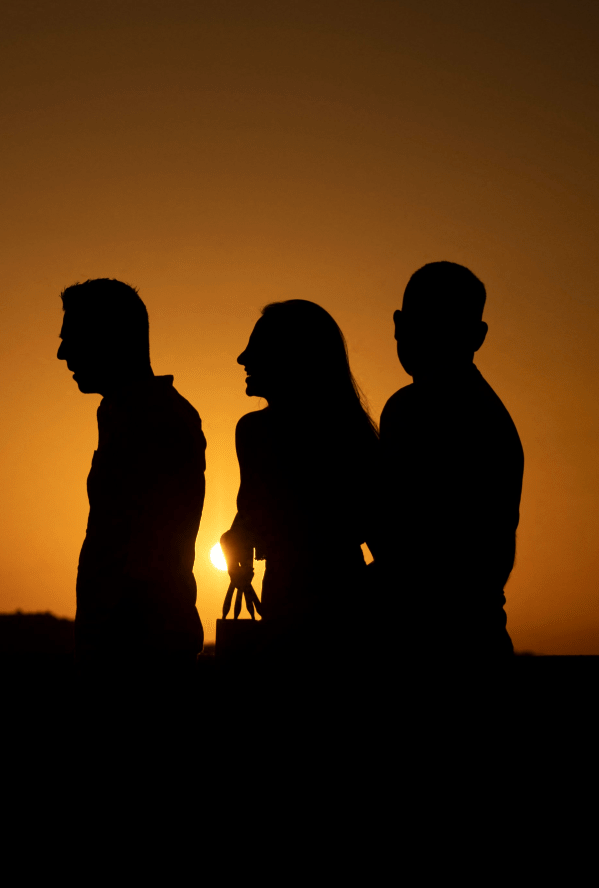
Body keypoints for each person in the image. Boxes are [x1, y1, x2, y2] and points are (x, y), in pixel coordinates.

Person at [370, 262, 523, 658]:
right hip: (477, 636)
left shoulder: (412, 409)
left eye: (440, 325)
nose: (427, 338)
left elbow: (400, 544)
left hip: (428, 638)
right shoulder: (490, 414)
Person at [57, 279, 206, 666]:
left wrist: (112, 646)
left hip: (138, 653)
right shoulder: (124, 413)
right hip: (121, 645)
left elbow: (152, 551)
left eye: (72, 338)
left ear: (109, 338)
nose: (62, 353)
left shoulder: (157, 419)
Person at [218, 300, 378, 655]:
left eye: (257, 348)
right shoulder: (253, 432)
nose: (243, 358)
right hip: (285, 606)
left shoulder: (344, 441)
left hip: (337, 624)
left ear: (293, 358)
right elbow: (254, 513)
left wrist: (338, 599)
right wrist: (237, 537)